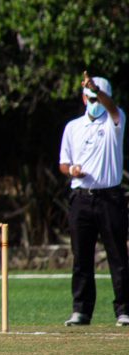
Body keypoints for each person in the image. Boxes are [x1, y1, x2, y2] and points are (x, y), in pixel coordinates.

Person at [58, 72, 129, 327]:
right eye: (89, 97)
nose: (94, 102)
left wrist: (97, 90)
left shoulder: (114, 121)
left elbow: (110, 107)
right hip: (81, 197)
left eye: (97, 97)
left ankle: (124, 309)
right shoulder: (73, 127)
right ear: (82, 97)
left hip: (110, 197)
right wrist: (72, 170)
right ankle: (81, 311)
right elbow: (63, 164)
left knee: (118, 255)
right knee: (81, 256)